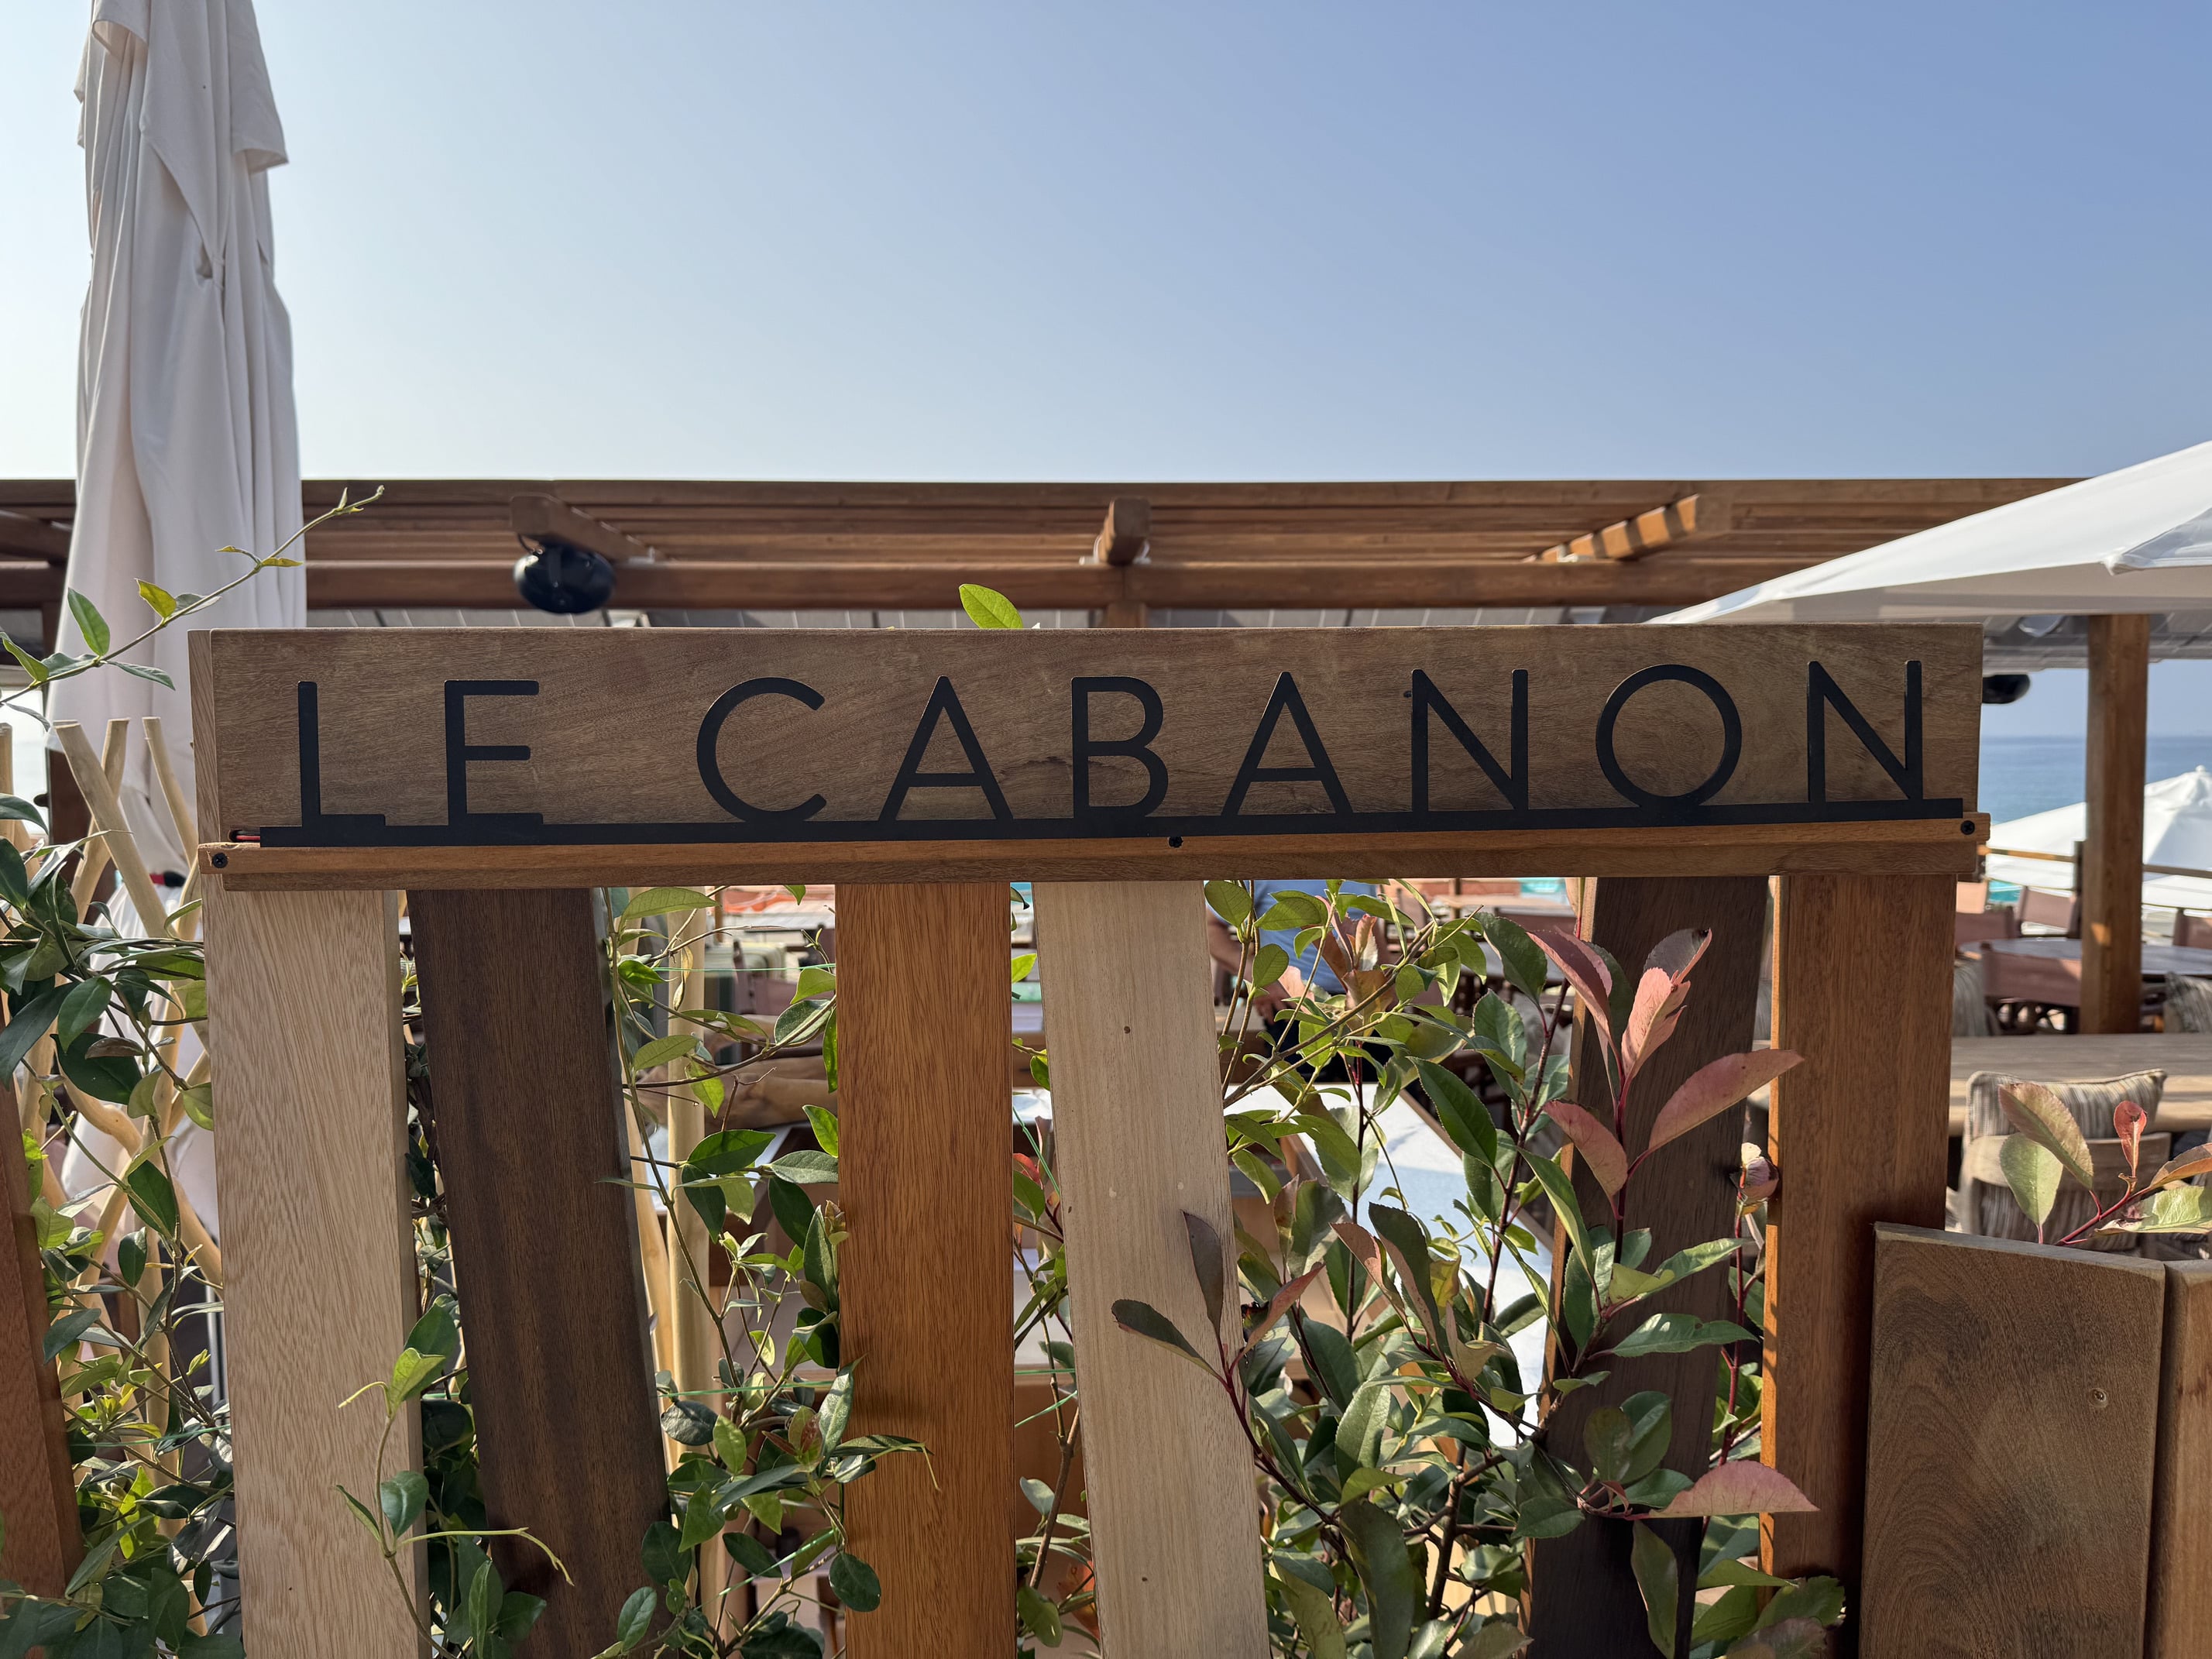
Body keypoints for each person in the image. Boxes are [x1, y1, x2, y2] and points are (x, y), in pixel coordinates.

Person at [1205, 878, 1379, 1018]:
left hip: (1367, 1002)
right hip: (1293, 1005)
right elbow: (1208, 927)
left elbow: (1370, 929)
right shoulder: (1262, 856)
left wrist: (1389, 990)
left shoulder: (1361, 857)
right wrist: (1259, 978)